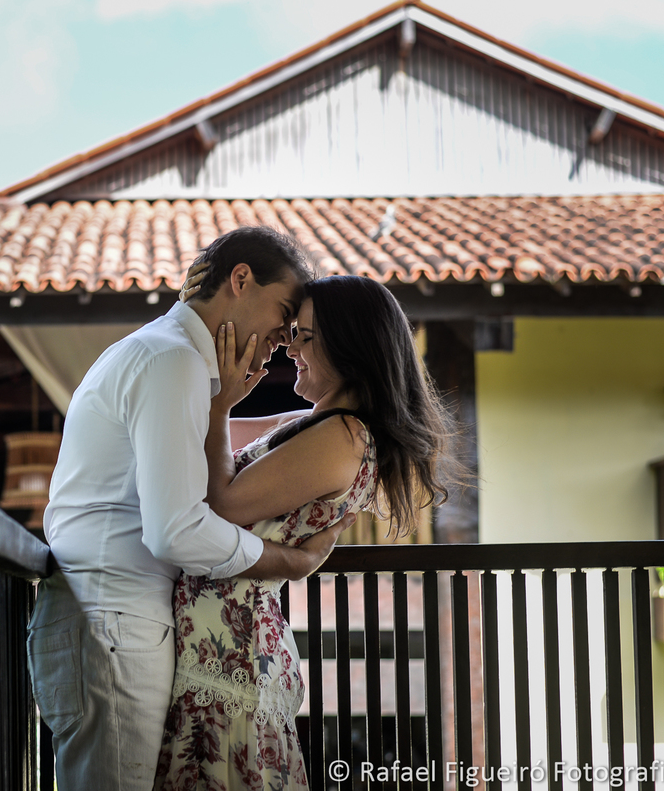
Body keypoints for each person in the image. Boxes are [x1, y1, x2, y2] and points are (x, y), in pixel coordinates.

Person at [28, 227, 356, 791]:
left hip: (110, 617)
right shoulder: (171, 360)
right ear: (240, 279)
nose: (284, 337)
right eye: (282, 312)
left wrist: (219, 407)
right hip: (115, 621)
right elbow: (176, 529)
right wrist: (285, 562)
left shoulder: (163, 355)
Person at [153, 274, 452, 790]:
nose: (290, 348)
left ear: (349, 346)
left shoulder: (341, 438)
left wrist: (222, 404)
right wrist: (212, 400)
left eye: (303, 337)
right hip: (225, 642)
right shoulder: (321, 425)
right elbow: (206, 440)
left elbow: (223, 501)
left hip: (230, 650)